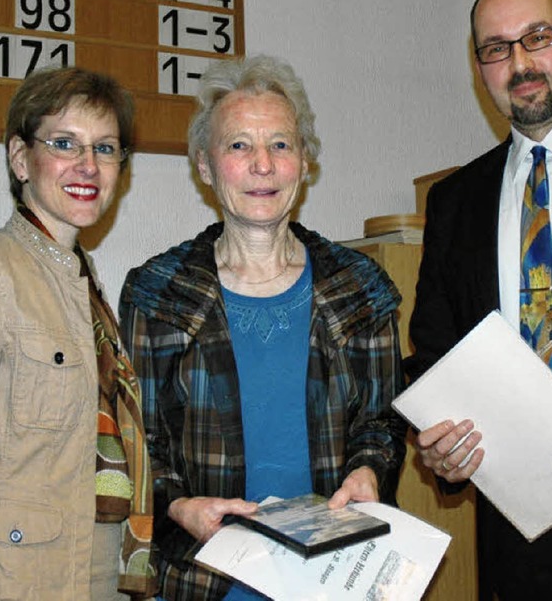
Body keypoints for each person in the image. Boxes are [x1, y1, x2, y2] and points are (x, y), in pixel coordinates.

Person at [119, 54, 407, 601]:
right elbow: (140, 441)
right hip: (202, 580)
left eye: (280, 144)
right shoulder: (157, 292)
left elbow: (381, 422)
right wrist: (177, 505)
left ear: (305, 161)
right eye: (238, 146)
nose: (262, 165)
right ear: (205, 166)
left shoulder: (360, 287)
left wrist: (370, 471)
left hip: (333, 575)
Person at [403, 0, 552, 600]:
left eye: (537, 37)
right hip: (519, 547)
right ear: (481, 70)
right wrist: (438, 448)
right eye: (496, 48)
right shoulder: (455, 201)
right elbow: (434, 357)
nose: (519, 63)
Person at [0, 67, 156, 600]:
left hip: (98, 573)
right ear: (19, 158)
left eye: (105, 148)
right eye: (65, 144)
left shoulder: (87, 284)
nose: (88, 166)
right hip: (20, 582)